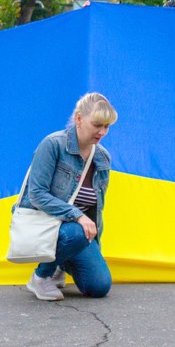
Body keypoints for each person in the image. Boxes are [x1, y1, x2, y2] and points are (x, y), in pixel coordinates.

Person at [21, 93, 117, 301]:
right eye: (97, 125)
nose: (102, 132)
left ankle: (59, 262)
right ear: (79, 119)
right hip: (49, 224)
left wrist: (94, 250)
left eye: (107, 126)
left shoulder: (102, 158)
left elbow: (95, 209)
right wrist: (77, 215)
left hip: (76, 234)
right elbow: (36, 194)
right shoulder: (53, 145)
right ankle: (41, 276)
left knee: (99, 286)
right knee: (76, 231)